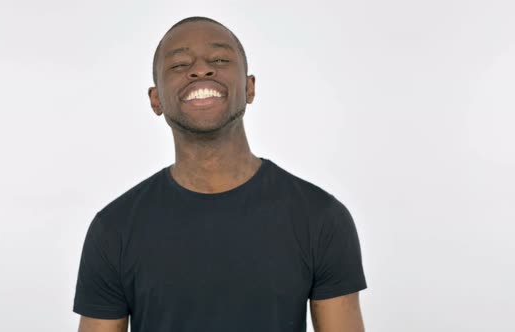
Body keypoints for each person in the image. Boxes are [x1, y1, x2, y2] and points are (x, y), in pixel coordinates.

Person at [73, 16, 367, 332]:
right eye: (178, 64)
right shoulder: (114, 229)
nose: (201, 69)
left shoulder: (320, 218)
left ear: (249, 87)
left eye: (220, 59)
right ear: (155, 99)